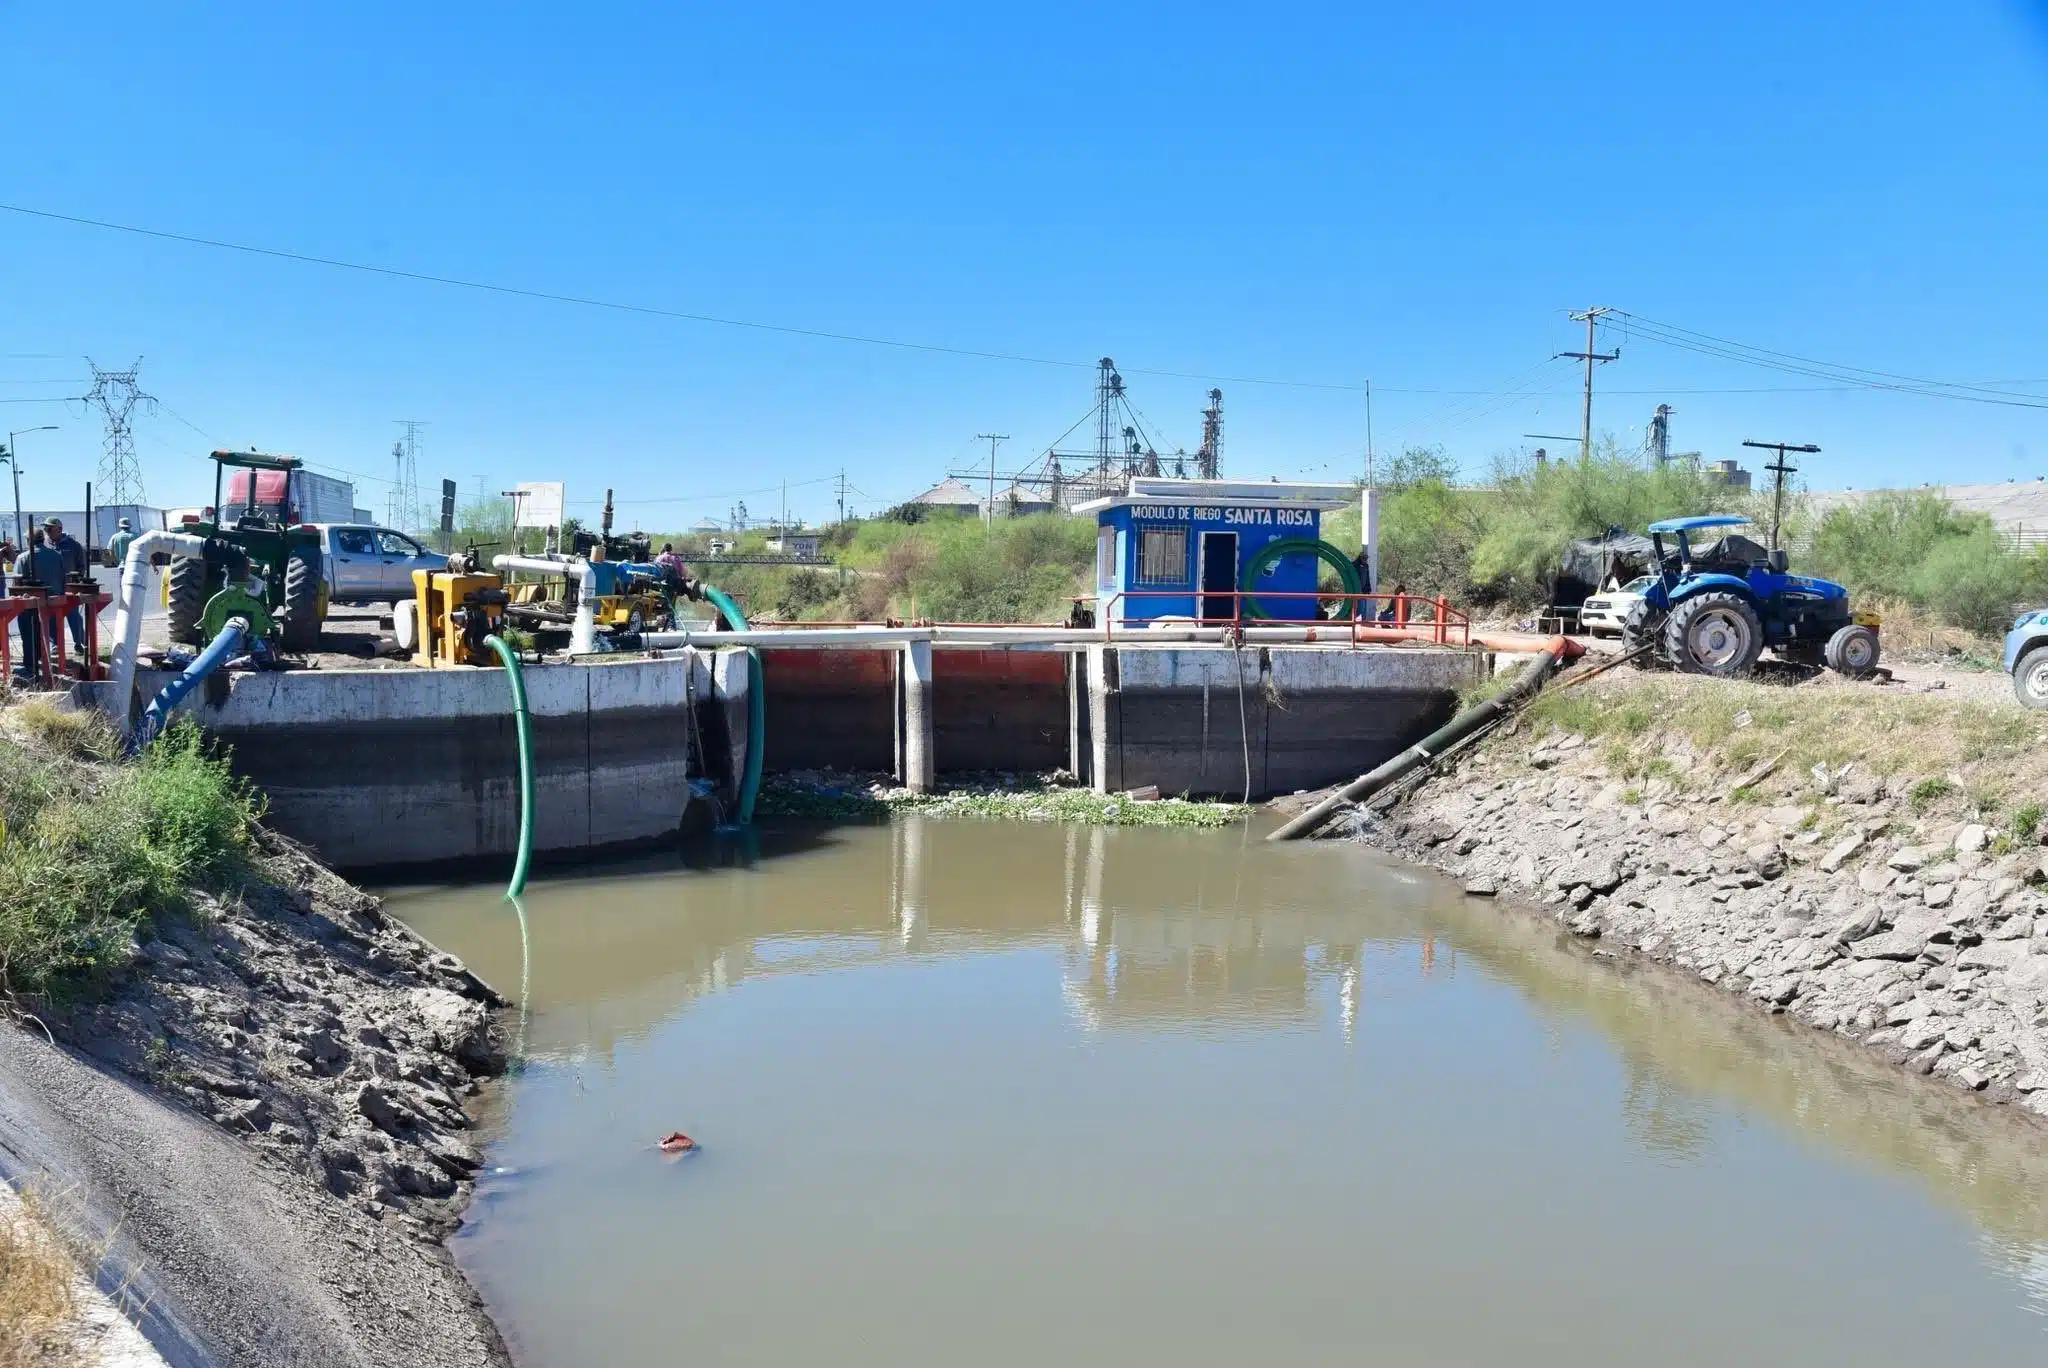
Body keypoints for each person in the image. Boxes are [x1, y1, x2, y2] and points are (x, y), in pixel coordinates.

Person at [12, 535, 63, 680]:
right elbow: (62, 576)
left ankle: (30, 666)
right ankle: (47, 661)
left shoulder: (23, 557)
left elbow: (17, 582)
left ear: (29, 541)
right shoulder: (56, 555)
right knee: (48, 633)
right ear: (43, 540)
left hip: (30, 603)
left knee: (28, 634)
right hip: (52, 602)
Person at [41, 517, 89, 654]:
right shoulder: (45, 545)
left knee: (74, 616)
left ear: (59, 529)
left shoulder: (73, 545)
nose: (46, 530)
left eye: (49, 527)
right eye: (45, 528)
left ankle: (79, 643)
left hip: (69, 588)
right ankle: (55, 644)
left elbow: (81, 566)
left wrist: (77, 581)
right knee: (52, 618)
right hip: (52, 588)